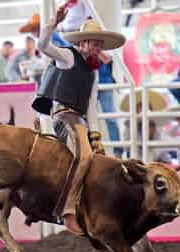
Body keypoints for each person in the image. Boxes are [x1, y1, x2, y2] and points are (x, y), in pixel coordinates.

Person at [32, 6, 125, 234]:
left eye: (99, 44)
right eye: (95, 43)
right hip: (64, 116)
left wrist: (95, 135)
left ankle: (84, 207)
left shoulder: (92, 72)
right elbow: (42, 46)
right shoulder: (67, 58)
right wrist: (53, 23)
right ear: (82, 43)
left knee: (91, 158)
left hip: (78, 121)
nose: (98, 47)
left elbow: (91, 106)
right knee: (84, 157)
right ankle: (67, 211)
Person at [120, 89, 170, 162]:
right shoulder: (129, 125)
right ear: (136, 109)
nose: (143, 109)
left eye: (146, 106)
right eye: (140, 107)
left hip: (156, 159)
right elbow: (127, 146)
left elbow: (162, 146)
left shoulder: (156, 124)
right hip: (138, 159)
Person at [97, 52, 122, 157]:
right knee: (86, 119)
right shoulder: (85, 43)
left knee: (111, 119)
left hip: (105, 83)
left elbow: (106, 59)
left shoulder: (108, 44)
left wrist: (95, 51)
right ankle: (90, 150)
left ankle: (118, 153)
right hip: (89, 83)